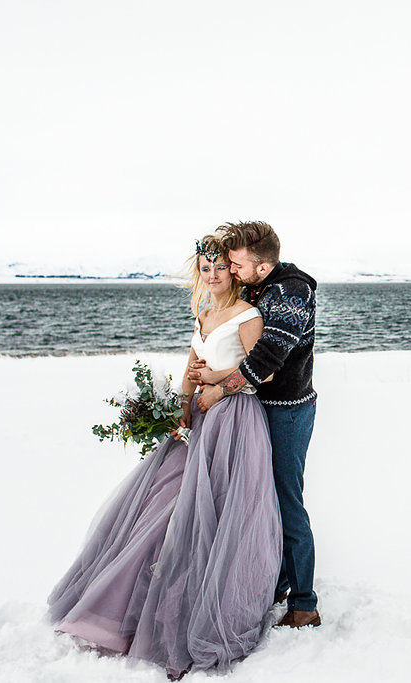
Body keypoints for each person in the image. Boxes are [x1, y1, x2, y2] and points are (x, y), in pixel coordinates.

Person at [47, 231, 282, 679]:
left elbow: (260, 374)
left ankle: (211, 606)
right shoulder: (204, 312)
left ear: (233, 271)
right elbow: (189, 366)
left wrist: (214, 378)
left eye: (219, 267)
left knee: (221, 507)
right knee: (164, 504)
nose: (212, 275)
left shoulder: (247, 314)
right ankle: (136, 603)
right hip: (200, 416)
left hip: (234, 419)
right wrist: (181, 410)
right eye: (205, 268)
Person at [195, 221, 320, 628]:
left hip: (286, 410)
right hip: (253, 408)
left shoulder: (291, 292)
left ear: (262, 266)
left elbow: (265, 360)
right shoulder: (257, 287)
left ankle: (304, 604)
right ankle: (278, 581)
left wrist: (217, 388)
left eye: (236, 263)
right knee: (259, 496)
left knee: (286, 501)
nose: (230, 269)